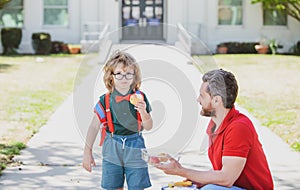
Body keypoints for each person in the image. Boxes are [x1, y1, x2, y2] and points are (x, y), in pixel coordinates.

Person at [156, 69, 274, 190]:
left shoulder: (239, 127)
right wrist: (198, 179)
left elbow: (226, 178)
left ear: (217, 100)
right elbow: (221, 172)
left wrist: (180, 171)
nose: (198, 100)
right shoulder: (214, 125)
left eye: (202, 96)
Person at [82, 51, 153, 190]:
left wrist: (143, 112)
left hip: (135, 144)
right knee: (113, 185)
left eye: (129, 74)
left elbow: (149, 126)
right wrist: (87, 152)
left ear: (134, 76)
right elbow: (94, 127)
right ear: (111, 77)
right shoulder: (105, 100)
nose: (124, 78)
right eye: (119, 74)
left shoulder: (140, 97)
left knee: (137, 185)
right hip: (111, 145)